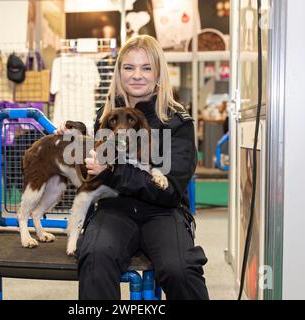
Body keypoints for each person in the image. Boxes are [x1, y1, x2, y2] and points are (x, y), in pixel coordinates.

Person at [55, 35, 209, 300]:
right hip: (114, 209)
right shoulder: (106, 117)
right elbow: (92, 168)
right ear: (119, 73)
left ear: (159, 73)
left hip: (163, 212)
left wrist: (113, 171)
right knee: (94, 257)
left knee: (180, 268)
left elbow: (169, 191)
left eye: (146, 68)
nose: (137, 75)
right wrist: (75, 142)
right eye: (129, 67)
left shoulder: (178, 123)